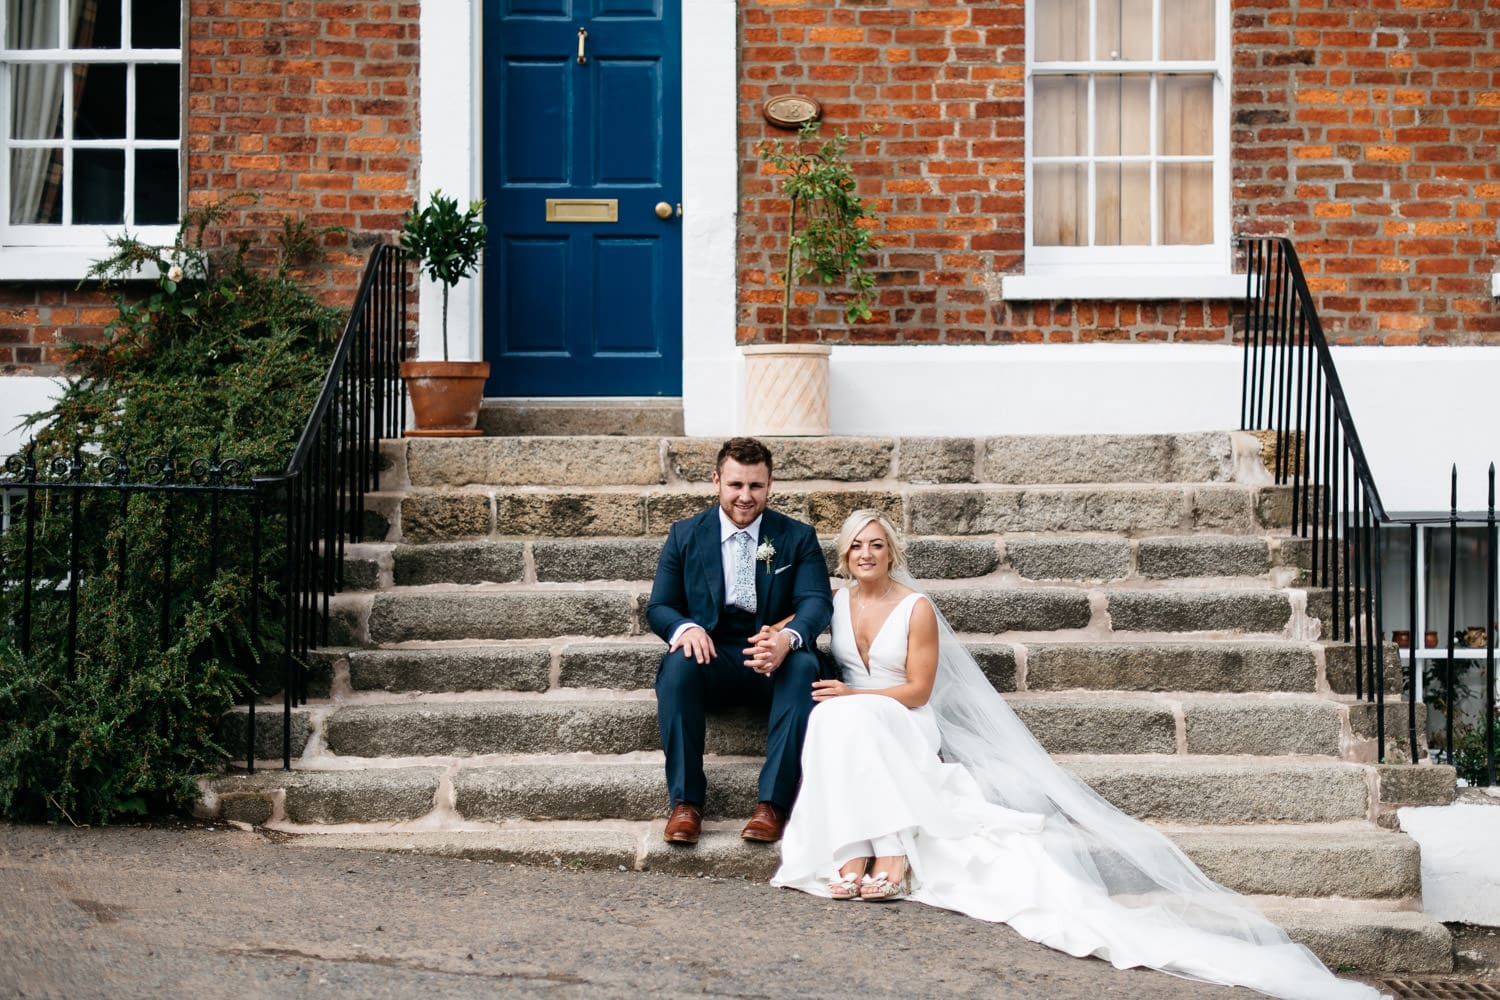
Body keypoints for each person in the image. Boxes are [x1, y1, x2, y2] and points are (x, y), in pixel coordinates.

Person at [772, 510, 1382, 1000]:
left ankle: (891, 851)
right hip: (860, 715)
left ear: (891, 551)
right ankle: (854, 848)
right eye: (857, 547)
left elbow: (918, 691)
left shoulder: (917, 608)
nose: (867, 555)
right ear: (845, 555)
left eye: (876, 545)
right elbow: (803, 637)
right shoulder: (835, 602)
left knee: (854, 711)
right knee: (828, 717)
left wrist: (857, 692)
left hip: (904, 716)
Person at [646, 437, 833, 845]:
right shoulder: (685, 535)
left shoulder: (797, 537)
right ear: (716, 481)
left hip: (772, 655)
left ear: (770, 485)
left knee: (804, 667)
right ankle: (686, 803)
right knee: (677, 665)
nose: (745, 497)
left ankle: (772, 805)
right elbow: (659, 606)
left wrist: (788, 638)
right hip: (712, 653)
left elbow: (817, 602)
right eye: (736, 485)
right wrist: (686, 629)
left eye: (755, 486)